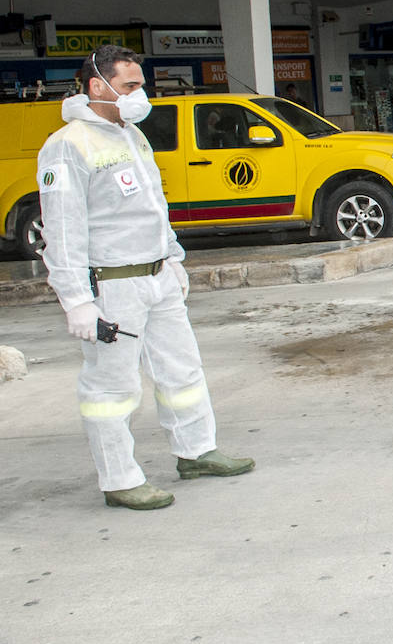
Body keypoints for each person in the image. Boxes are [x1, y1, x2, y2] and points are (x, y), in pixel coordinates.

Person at [37, 45, 254, 510]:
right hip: (113, 287)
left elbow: (153, 208)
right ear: (98, 86)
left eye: (141, 85)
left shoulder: (131, 135)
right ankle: (119, 479)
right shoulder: (67, 145)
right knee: (112, 390)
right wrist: (76, 299)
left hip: (156, 276)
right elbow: (62, 229)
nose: (141, 95)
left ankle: (196, 451)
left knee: (182, 370)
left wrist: (172, 258)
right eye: (131, 85)